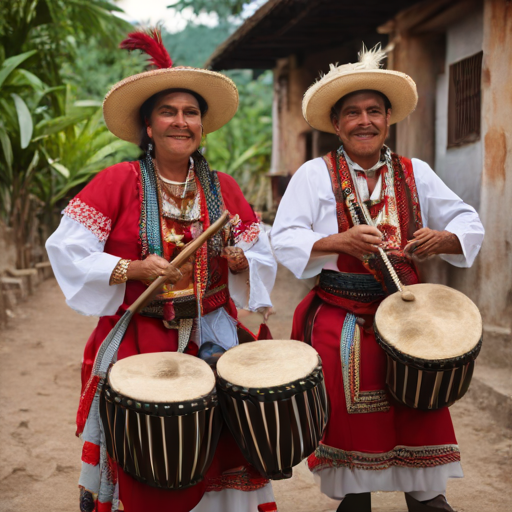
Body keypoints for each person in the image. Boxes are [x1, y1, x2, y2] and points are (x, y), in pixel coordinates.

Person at [46, 29, 277, 512]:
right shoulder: (116, 182)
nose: (180, 122)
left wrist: (241, 260)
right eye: (167, 112)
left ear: (202, 126)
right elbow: (66, 248)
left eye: (190, 112)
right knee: (151, 458)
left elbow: (262, 251)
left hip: (216, 334)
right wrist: (129, 268)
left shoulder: (225, 189)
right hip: (141, 341)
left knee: (222, 450)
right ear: (147, 127)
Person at [271, 44, 484, 512]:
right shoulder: (313, 175)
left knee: (418, 414)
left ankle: (427, 497)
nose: (364, 120)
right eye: (352, 112)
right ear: (337, 122)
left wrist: (443, 238)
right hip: (341, 317)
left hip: (412, 321)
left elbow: (469, 222)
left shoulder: (416, 173)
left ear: (389, 117)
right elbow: (283, 238)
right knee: (352, 431)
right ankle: (355, 500)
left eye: (373, 110)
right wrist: (337, 242)